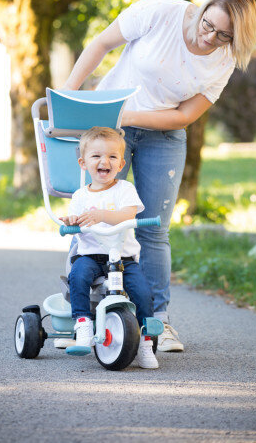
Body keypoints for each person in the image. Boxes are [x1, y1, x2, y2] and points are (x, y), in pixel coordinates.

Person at [62, 0, 256, 352]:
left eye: (224, 36)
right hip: (108, 131)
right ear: (205, 6)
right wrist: (69, 96)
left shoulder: (224, 59)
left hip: (163, 135)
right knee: (91, 215)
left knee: (152, 229)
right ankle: (85, 313)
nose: (209, 38)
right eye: (208, 25)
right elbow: (102, 44)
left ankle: (159, 322)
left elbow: (185, 114)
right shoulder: (158, 12)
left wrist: (131, 116)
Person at [60, 126, 159, 369]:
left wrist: (102, 214)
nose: (105, 161)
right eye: (96, 156)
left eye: (112, 157)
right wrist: (71, 221)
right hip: (91, 256)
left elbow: (129, 214)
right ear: (83, 163)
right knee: (78, 275)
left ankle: (145, 341)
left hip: (123, 258)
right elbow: (75, 218)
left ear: (121, 163)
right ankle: (83, 323)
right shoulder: (80, 196)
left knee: (143, 292)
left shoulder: (125, 190)